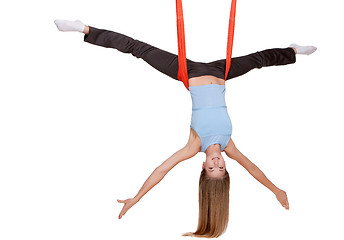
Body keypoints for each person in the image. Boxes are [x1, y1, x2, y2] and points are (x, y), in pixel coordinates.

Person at [54, 19, 317, 238]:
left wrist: (137, 197)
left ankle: (84, 29)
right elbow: (254, 170)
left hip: (187, 72)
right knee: (261, 59)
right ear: (226, 165)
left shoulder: (195, 145)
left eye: (211, 168)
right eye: (221, 167)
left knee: (138, 49)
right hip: (220, 72)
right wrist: (275, 190)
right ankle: (293, 51)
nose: (216, 162)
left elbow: (162, 170)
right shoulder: (229, 145)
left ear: (203, 168)